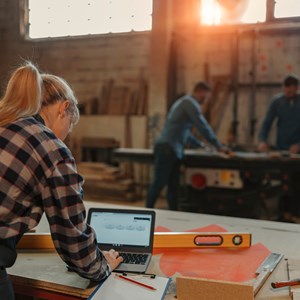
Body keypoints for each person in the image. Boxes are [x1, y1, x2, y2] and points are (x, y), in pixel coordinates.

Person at [0, 62, 123, 299]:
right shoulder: (51, 148)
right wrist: (101, 265)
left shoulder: (6, 124)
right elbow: (72, 236)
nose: (65, 134)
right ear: (63, 108)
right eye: (70, 125)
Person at [146, 81, 230, 211]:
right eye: (205, 97)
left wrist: (202, 146)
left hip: (173, 150)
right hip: (167, 148)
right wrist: (218, 146)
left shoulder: (183, 103)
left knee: (173, 187)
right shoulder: (190, 103)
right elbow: (202, 126)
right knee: (159, 183)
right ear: (199, 92)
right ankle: (145, 213)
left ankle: (173, 216)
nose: (206, 100)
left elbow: (186, 134)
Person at [258, 74, 300, 222]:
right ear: (284, 88)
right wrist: (262, 140)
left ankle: (296, 214)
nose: (290, 94)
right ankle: (284, 214)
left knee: (297, 181)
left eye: (293, 91)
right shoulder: (277, 102)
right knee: (284, 181)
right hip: (282, 148)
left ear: (297, 89)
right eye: (287, 91)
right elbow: (267, 122)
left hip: (297, 151)